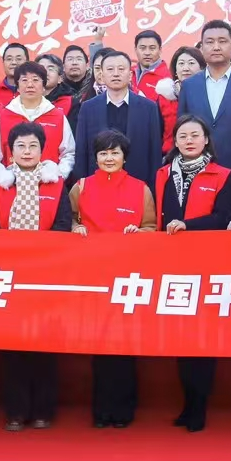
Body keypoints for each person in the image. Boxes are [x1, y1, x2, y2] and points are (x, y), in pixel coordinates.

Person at [0, 123, 74, 429]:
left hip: (46, 276)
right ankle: (16, 411)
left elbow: (63, 225)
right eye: (20, 146)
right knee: (13, 347)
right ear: (10, 151)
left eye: (33, 146)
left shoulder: (55, 184)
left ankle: (44, 410)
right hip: (8, 277)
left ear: (42, 150)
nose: (27, 151)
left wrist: (39, 257)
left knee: (44, 346)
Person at [155, 115, 231, 430]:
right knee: (180, 339)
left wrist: (187, 226)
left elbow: (223, 217)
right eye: (183, 136)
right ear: (175, 141)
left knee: (202, 340)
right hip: (172, 266)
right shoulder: (163, 174)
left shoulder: (223, 174)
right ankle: (187, 403)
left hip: (208, 265)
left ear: (206, 139)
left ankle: (199, 407)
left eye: (195, 135)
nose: (189, 140)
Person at [70, 130, 157, 427]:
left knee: (124, 347)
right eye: (103, 153)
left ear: (124, 157)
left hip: (128, 280)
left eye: (115, 152)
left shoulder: (140, 189)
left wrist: (139, 233)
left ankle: (124, 410)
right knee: (99, 347)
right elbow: (68, 222)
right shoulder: (81, 187)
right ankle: (101, 409)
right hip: (92, 278)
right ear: (95, 157)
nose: (109, 158)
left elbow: (151, 228)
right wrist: (75, 229)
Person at [177, 20, 231, 170]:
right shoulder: (189, 85)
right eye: (210, 42)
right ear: (202, 47)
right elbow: (182, 129)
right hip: (198, 170)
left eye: (222, 41)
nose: (216, 47)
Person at [73, 49, 163, 184]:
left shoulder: (148, 108)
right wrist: (82, 185)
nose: (116, 74)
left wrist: (152, 189)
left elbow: (154, 153)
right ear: (102, 75)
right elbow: (81, 152)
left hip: (137, 183)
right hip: (97, 183)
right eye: (110, 69)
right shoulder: (88, 108)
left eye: (121, 69)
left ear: (130, 75)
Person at [0, 61, 75, 188]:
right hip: (12, 187)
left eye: (35, 80)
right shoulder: (3, 116)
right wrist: (3, 177)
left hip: (48, 187)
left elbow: (69, 153)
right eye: (24, 80)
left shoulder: (57, 116)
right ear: (17, 86)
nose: (30, 85)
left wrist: (58, 175)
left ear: (44, 85)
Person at [153, 45, 204, 151]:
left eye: (191, 63)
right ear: (175, 70)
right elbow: (156, 133)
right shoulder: (164, 97)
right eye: (181, 63)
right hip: (170, 154)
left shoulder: (208, 96)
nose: (186, 68)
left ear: (202, 68)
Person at [133, 29, 170, 101]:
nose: (147, 53)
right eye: (142, 48)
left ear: (160, 50)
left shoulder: (167, 77)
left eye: (152, 48)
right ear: (135, 50)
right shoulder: (128, 72)